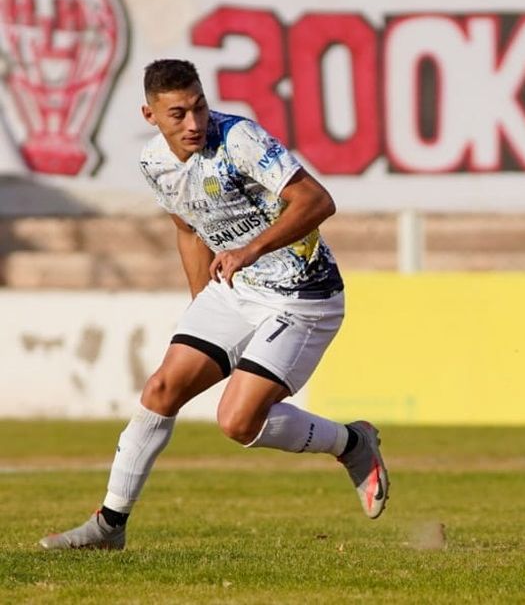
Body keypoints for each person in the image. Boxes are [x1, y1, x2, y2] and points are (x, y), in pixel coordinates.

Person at [38, 59, 389, 551]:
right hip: (234, 292)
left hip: (302, 295)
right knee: (162, 388)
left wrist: (250, 251)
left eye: (199, 107)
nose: (194, 123)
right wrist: (201, 302)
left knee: (237, 422)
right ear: (150, 116)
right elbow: (187, 226)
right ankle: (109, 526)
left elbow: (317, 200)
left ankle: (352, 443)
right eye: (178, 113)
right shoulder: (153, 162)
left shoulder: (239, 139)